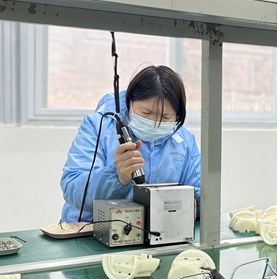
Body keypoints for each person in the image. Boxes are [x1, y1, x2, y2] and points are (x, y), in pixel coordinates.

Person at [60, 65, 201, 223]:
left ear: (178, 115)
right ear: (130, 103)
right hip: (91, 230)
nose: (154, 122)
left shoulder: (184, 141)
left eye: (165, 117)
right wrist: (116, 177)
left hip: (159, 232)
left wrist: (194, 203)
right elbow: (72, 188)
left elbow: (204, 193)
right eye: (146, 113)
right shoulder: (98, 127)